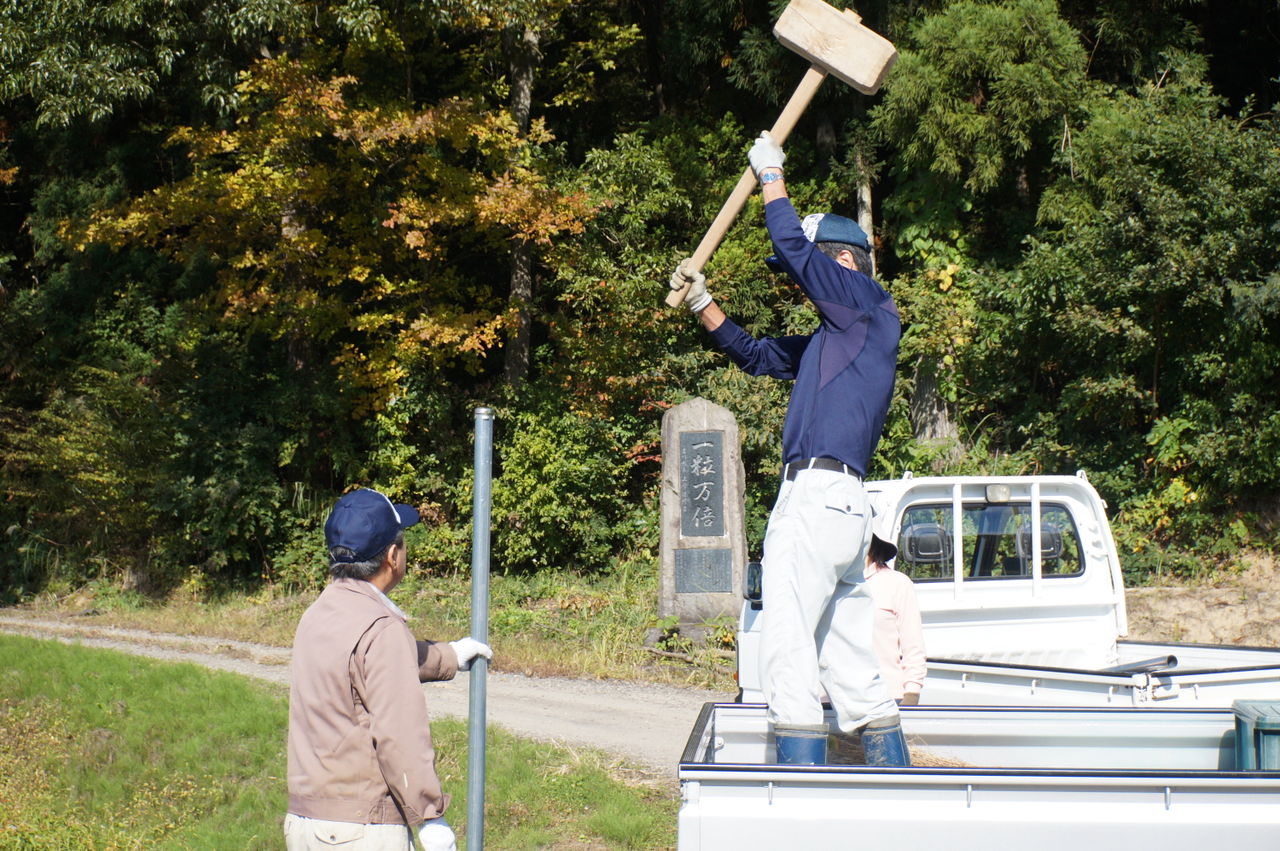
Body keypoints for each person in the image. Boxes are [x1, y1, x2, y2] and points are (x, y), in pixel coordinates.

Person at [668, 130, 909, 766]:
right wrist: (702, 302)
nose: (797, 285)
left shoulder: (865, 302)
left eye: (812, 273)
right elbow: (755, 355)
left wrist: (771, 175)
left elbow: (793, 247)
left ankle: (792, 789)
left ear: (844, 264)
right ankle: (900, 786)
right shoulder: (844, 336)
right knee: (849, 658)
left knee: (788, 643)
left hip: (818, 497)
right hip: (844, 508)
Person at [285, 487, 493, 850]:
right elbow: (399, 733)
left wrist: (449, 656)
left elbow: (367, 668)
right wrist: (430, 817)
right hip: (360, 831)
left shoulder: (318, 614)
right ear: (393, 555)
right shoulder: (381, 627)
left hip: (306, 823)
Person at [863, 507, 926, 706]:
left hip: (886, 698)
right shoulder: (830, 584)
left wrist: (911, 694)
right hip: (833, 700)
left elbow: (913, 645)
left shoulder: (897, 583)